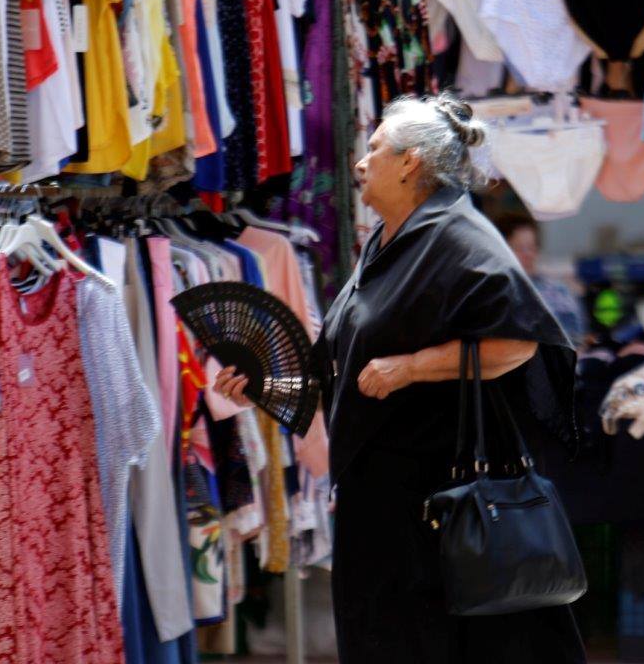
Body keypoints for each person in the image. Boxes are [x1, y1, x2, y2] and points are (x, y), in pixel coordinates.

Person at [214, 93, 586, 663]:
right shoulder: (386, 242)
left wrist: (412, 368)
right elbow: (346, 373)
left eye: (375, 149)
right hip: (381, 504)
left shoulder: (459, 235)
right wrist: (264, 384)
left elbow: (518, 341)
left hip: (436, 505)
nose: (360, 163)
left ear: (411, 161)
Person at [497, 214, 589, 345]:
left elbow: (579, 334)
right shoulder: (495, 294)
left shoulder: (558, 290)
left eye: (532, 248)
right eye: (520, 249)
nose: (528, 255)